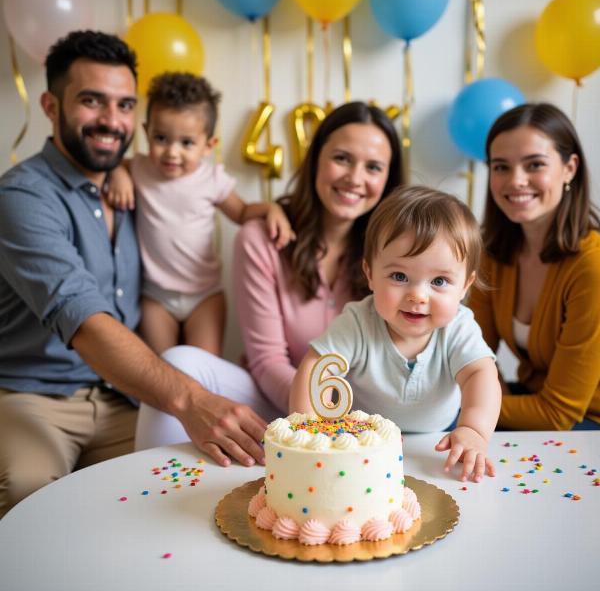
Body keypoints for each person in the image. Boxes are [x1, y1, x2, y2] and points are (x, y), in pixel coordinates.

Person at [0, 31, 265, 519]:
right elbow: (79, 314)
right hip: (34, 395)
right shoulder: (22, 197)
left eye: (123, 105)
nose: (110, 120)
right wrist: (192, 399)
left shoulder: (132, 183)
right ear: (51, 106)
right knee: (30, 491)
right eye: (91, 101)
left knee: (198, 484)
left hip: (124, 395)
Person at [134, 101, 405, 451]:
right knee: (178, 364)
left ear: (387, 179)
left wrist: (351, 423)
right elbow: (267, 361)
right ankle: (154, 492)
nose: (355, 178)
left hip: (367, 416)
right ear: (316, 160)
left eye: (373, 167)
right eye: (341, 158)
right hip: (276, 401)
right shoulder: (262, 237)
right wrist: (317, 419)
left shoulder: (399, 251)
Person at [289, 186, 501, 483]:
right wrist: (311, 430)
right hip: (363, 446)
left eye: (439, 281)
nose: (418, 295)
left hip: (438, 441)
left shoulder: (459, 328)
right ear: (370, 274)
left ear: (465, 286)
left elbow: (480, 374)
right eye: (399, 276)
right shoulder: (358, 322)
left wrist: (474, 430)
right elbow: (316, 368)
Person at [106, 72, 294, 356]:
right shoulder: (141, 169)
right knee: (161, 368)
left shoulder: (211, 179)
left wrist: (271, 208)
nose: (172, 152)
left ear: (209, 145)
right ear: (145, 132)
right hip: (155, 295)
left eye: (186, 143)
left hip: (204, 295)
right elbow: (115, 164)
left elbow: (242, 212)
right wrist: (118, 172)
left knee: (203, 368)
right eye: (161, 138)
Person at [468, 103, 600, 430]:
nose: (516, 181)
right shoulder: (493, 254)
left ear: (570, 168)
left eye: (535, 165)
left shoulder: (592, 267)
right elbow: (472, 351)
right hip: (528, 399)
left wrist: (471, 407)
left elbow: (558, 414)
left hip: (587, 424)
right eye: (500, 167)